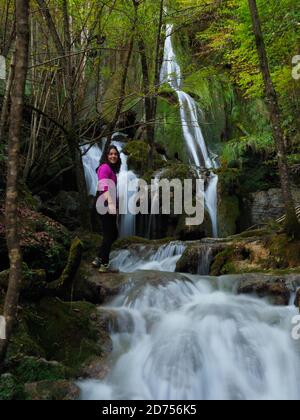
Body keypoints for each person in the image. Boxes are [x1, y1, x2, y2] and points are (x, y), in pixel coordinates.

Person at [92, 145, 121, 273]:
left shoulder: (112, 170)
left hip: (106, 203)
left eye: (115, 154)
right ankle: (104, 264)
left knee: (112, 233)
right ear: (106, 156)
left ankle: (99, 258)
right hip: (104, 202)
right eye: (110, 154)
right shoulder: (104, 168)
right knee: (110, 234)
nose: (113, 156)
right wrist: (111, 204)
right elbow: (104, 187)